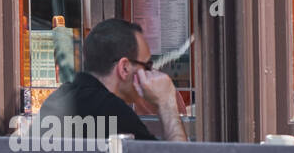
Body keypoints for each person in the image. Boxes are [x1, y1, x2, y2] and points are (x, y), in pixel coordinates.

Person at [36, 17, 188, 143]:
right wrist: (167, 103)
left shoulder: (56, 99)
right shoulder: (113, 112)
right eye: (147, 65)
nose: (151, 72)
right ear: (124, 68)